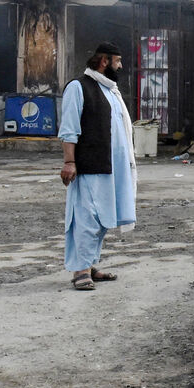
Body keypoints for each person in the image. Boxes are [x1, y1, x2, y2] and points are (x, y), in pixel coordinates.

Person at [58, 42, 136, 291]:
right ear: (104, 61)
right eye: (118, 61)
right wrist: (69, 162)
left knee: (103, 219)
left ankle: (90, 265)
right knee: (86, 218)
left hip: (113, 167)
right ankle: (80, 271)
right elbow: (69, 129)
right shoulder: (78, 87)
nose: (120, 66)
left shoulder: (111, 90)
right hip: (90, 164)